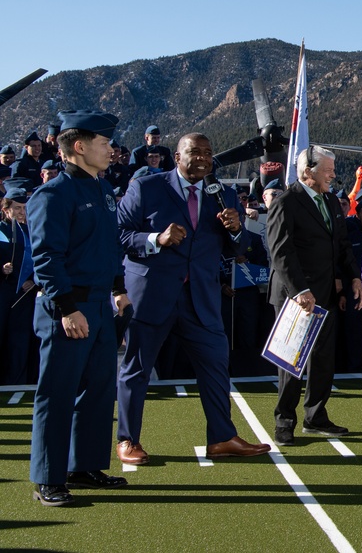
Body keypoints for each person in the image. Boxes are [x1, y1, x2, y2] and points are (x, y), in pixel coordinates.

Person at [116, 133, 270, 464]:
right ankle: (128, 440)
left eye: (208, 153)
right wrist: (156, 238)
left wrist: (235, 230)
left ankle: (222, 437)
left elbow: (238, 249)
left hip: (200, 297)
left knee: (216, 365)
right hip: (152, 295)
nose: (202, 157)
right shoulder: (147, 187)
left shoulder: (223, 193)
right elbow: (120, 234)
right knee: (137, 369)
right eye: (194, 152)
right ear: (177, 156)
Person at [26, 110, 130, 507]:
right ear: (80, 147)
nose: (112, 149)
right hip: (68, 306)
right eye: (105, 144)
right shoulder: (52, 195)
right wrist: (68, 308)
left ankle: (83, 465)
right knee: (57, 392)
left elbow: (109, 247)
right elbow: (47, 258)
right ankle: (48, 478)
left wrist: (119, 289)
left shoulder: (102, 191)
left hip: (101, 304)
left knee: (99, 390)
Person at [266, 146, 362, 446]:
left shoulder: (332, 200)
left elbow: (342, 245)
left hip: (326, 293)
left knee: (323, 358)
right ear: (308, 171)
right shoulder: (287, 201)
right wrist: (300, 291)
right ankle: (285, 421)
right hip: (295, 296)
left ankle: (316, 416)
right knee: (291, 360)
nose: (333, 175)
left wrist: (354, 277)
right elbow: (281, 252)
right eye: (328, 170)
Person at [0, 187, 37, 385]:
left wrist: (33, 279)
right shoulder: (0, 230)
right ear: (6, 210)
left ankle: (18, 379)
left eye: (24, 207)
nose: (22, 212)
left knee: (20, 340)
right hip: (4, 291)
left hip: (24, 295)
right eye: (17, 208)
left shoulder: (30, 231)